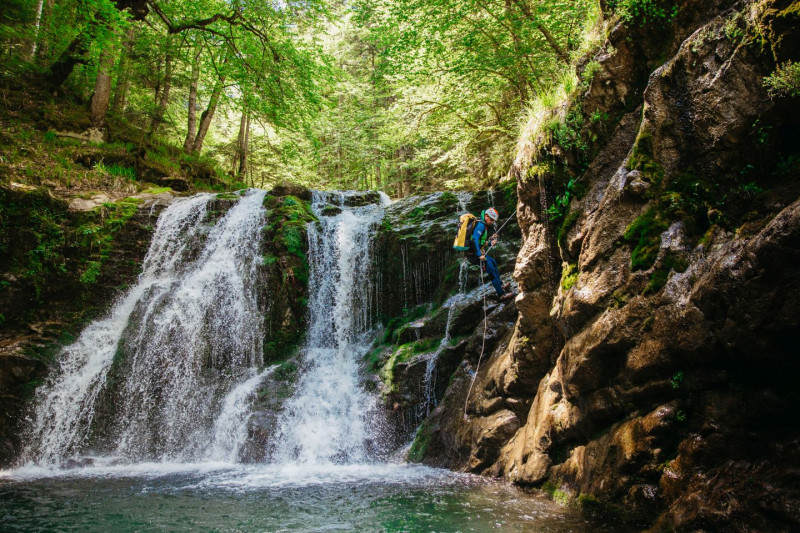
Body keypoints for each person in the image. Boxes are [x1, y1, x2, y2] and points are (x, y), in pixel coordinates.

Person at [466, 207, 514, 301]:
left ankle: (501, 285)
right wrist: (480, 255)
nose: (492, 222)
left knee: (494, 262)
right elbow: (474, 240)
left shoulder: (483, 224)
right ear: (486, 216)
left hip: (476, 252)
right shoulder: (480, 225)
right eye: (491, 219)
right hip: (474, 255)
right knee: (491, 270)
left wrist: (490, 242)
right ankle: (501, 295)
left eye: (493, 220)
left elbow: (480, 243)